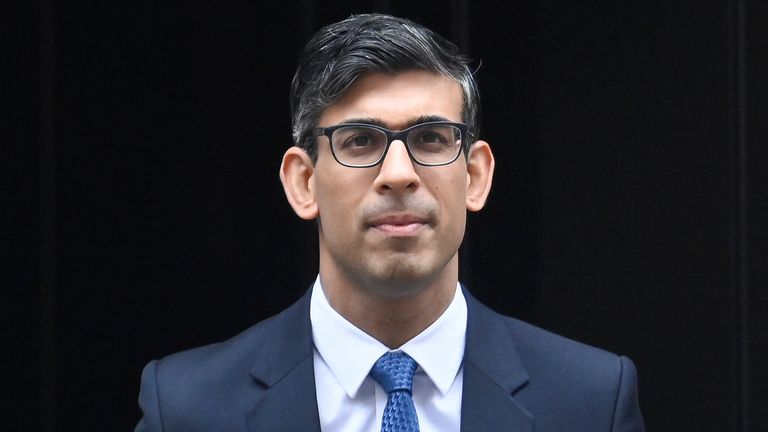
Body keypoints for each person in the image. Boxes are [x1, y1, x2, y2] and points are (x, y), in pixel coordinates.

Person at [134, 13, 645, 432]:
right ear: (303, 182)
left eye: (431, 139)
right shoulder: (188, 408)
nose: (398, 174)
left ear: (475, 176)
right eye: (360, 140)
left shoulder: (589, 402)